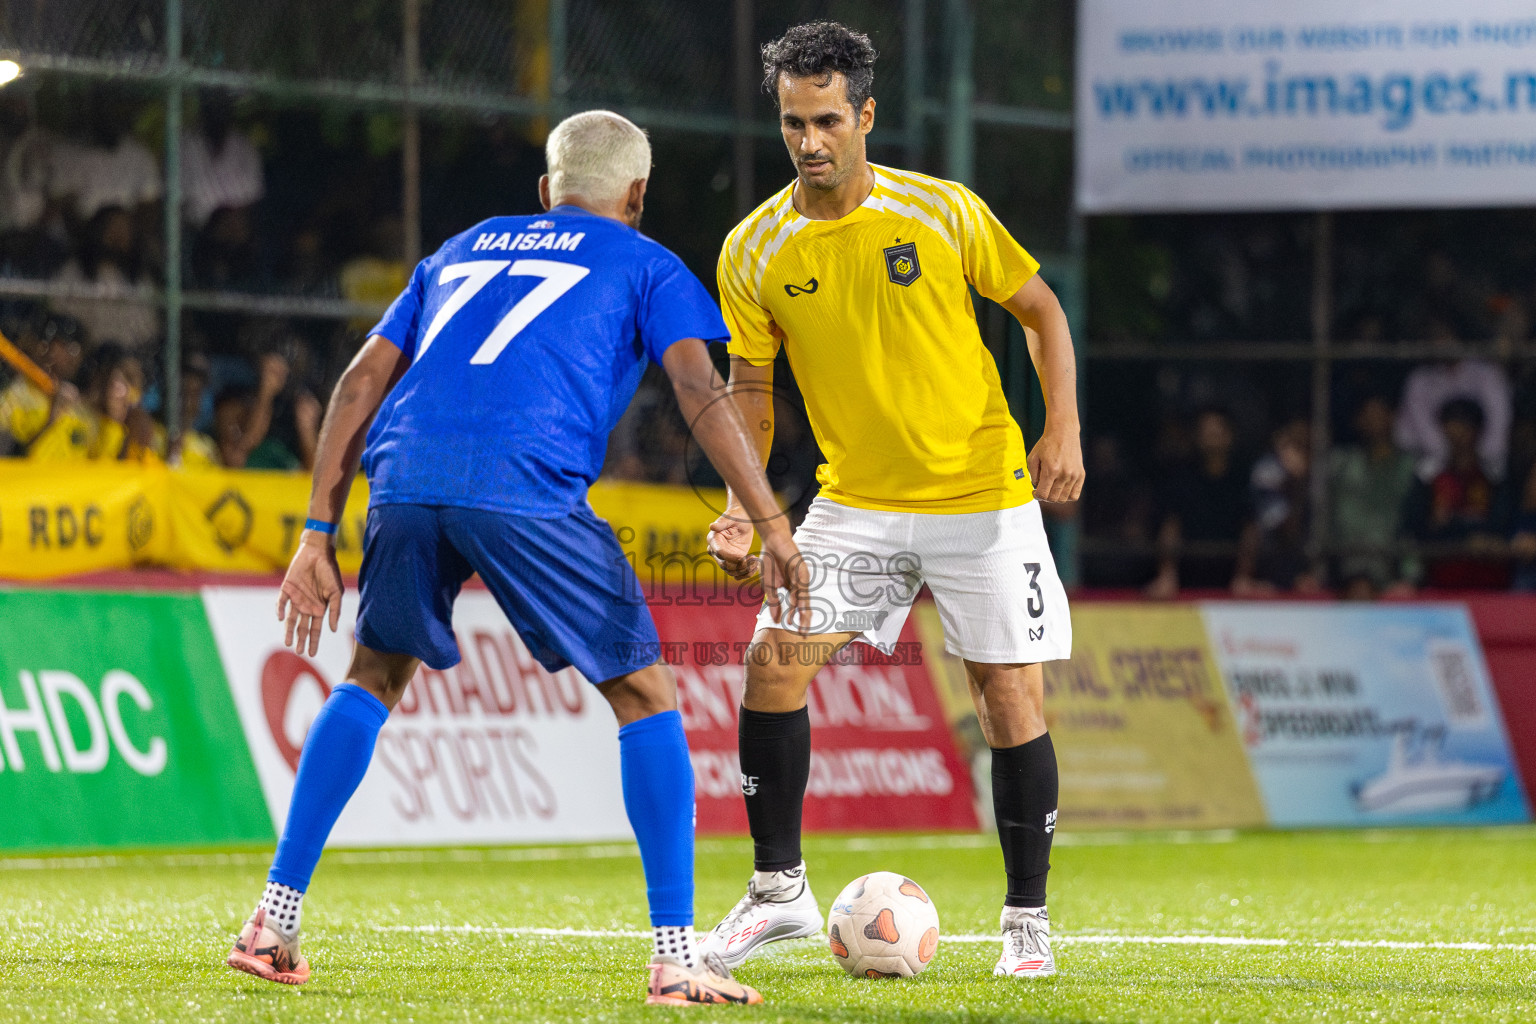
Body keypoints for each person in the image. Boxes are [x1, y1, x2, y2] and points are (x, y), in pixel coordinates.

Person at [224, 109, 809, 1008]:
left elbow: (358, 383)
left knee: (373, 674)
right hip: (525, 481)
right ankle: (675, 955)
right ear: (639, 196)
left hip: (404, 474)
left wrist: (315, 533)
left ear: (546, 191)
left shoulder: (457, 251)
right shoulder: (648, 262)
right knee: (646, 693)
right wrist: (769, 519)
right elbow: (698, 385)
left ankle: (273, 921)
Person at [697, 22, 1083, 981]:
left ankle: (1026, 922)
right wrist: (746, 504)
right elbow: (751, 389)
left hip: (981, 493)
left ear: (865, 115)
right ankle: (779, 892)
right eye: (793, 122)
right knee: (771, 666)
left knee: (1005, 697)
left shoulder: (943, 212)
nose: (810, 140)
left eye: (828, 119)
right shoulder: (752, 249)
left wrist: (1063, 428)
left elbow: (1041, 312)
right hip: (856, 501)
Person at [1146, 407, 1257, 598]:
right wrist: (1167, 575)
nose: (1210, 439)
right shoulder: (1181, 480)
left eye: (1216, 433)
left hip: (1230, 581)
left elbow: (1249, 531)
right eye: (1205, 433)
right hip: (1187, 580)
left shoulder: (1242, 481)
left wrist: (1243, 576)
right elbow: (1171, 528)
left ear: (1229, 437)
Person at [1405, 399, 1511, 589]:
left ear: (1478, 430)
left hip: (1489, 577)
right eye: (1452, 425)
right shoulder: (1428, 477)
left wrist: (1478, 537)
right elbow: (1417, 526)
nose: (1458, 433)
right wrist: (1463, 536)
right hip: (1441, 576)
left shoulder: (1495, 477)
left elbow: (1502, 524)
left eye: (1465, 425)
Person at [1329, 395, 1419, 599]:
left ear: (1392, 417)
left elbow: (1412, 526)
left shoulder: (1408, 467)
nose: (1373, 421)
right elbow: (1325, 519)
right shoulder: (1340, 464)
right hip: (1343, 570)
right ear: (1357, 421)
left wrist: (1409, 576)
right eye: (1367, 415)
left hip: (1390, 570)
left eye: (1378, 414)